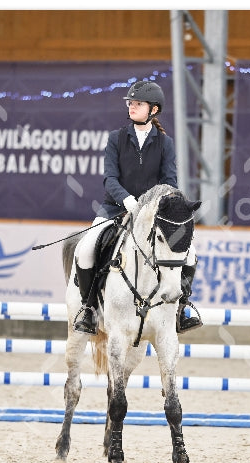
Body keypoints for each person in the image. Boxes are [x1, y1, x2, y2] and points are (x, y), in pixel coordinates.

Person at [72, 80, 202, 335]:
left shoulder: (165, 143)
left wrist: (151, 206)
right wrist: (127, 200)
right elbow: (110, 179)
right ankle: (88, 309)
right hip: (115, 208)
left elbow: (170, 182)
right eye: (130, 103)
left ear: (153, 110)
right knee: (85, 250)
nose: (132, 107)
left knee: (190, 253)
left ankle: (182, 308)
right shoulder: (116, 139)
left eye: (138, 104)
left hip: (153, 215)